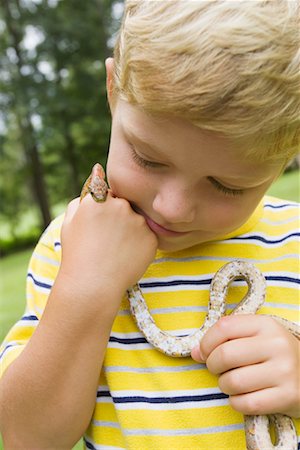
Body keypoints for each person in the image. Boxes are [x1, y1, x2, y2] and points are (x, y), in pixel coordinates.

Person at [0, 1, 299, 448]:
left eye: (225, 185)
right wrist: (86, 289)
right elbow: (28, 437)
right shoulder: (72, 245)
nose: (174, 208)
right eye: (148, 158)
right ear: (112, 89)